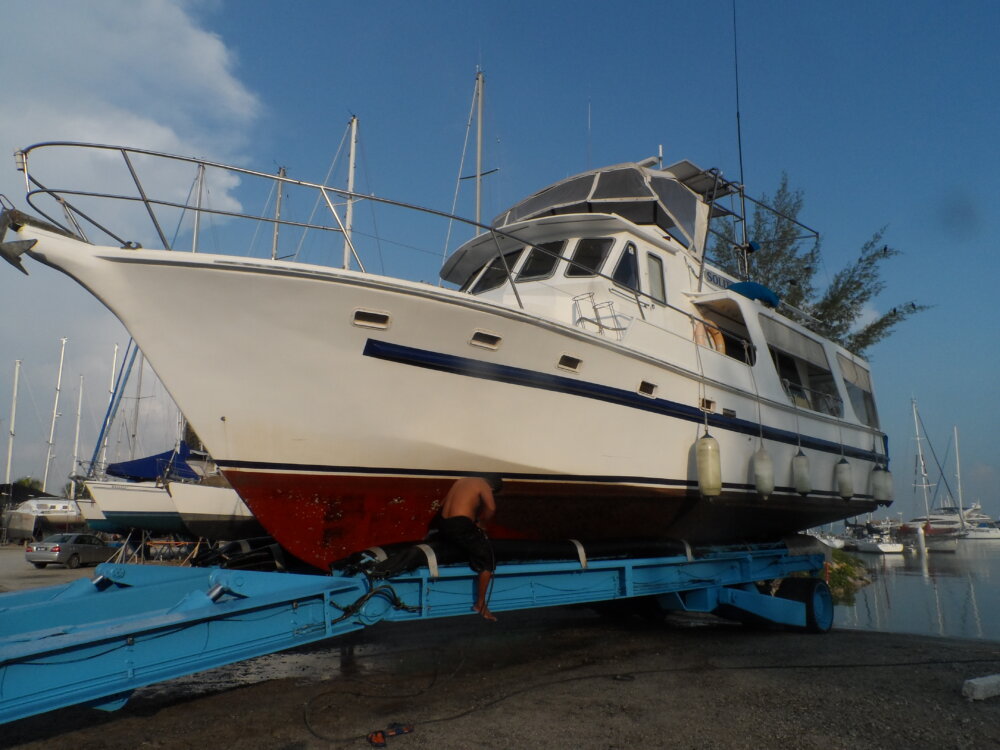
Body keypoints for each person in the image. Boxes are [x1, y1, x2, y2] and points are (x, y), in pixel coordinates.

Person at [430, 475, 502, 621]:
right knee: (487, 560)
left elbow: (442, 504)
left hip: (443, 524)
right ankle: (481, 604)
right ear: (492, 487)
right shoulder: (483, 484)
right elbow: (491, 508)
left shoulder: (461, 481)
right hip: (460, 525)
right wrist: (482, 523)